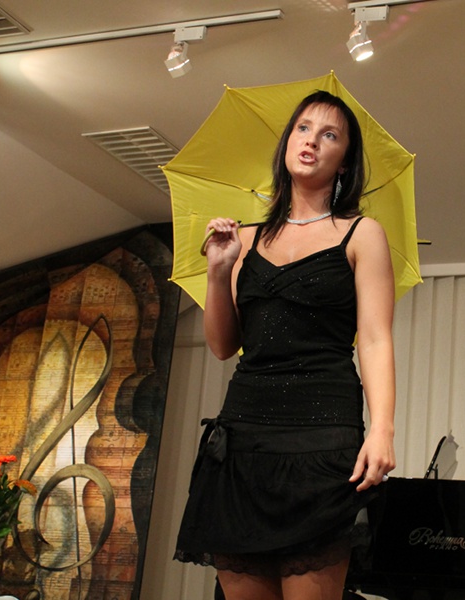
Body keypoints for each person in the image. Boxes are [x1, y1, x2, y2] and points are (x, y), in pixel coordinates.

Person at [174, 90, 397, 600]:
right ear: (287, 143)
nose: (312, 140)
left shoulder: (362, 234)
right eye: (303, 128)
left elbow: (375, 339)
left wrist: (382, 429)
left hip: (323, 437)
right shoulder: (245, 239)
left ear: (345, 162)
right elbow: (223, 346)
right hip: (242, 440)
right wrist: (219, 271)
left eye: (329, 134)